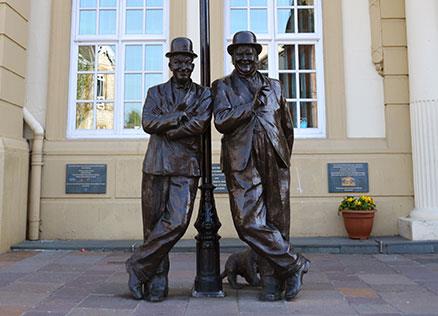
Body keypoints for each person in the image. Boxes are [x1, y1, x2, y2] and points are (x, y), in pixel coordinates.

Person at [212, 31, 310, 301]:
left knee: (278, 222)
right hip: (242, 160)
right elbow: (221, 120)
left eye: (250, 53)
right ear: (233, 57)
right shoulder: (222, 86)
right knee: (247, 222)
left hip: (274, 157)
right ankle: (294, 264)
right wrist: (250, 106)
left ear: (258, 56)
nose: (246, 58)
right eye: (240, 53)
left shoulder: (275, 86)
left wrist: (282, 155)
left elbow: (287, 127)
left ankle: (272, 281)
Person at [125, 37, 211, 302]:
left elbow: (201, 124)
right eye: (179, 61)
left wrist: (170, 130)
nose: (183, 65)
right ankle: (157, 279)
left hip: (186, 166)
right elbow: (148, 122)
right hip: (156, 165)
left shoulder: (203, 94)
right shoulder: (155, 92)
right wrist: (176, 117)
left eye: (188, 61)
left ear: (193, 64)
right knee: (152, 226)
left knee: (177, 222)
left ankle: (138, 264)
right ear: (171, 63)